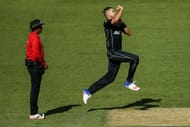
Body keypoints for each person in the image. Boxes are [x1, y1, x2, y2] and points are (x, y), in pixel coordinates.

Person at [83, 5, 140, 104]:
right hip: (113, 52)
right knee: (135, 59)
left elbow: (129, 33)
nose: (115, 12)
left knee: (110, 78)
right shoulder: (107, 23)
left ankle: (88, 92)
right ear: (108, 15)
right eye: (113, 11)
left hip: (117, 53)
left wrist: (122, 23)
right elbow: (114, 20)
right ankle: (129, 82)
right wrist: (121, 10)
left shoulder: (118, 23)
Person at [25, 19, 48, 119]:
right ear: (37, 28)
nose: (42, 28)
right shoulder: (35, 38)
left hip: (31, 64)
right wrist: (43, 64)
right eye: (40, 26)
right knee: (35, 89)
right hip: (35, 65)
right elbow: (37, 54)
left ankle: (34, 112)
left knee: (34, 89)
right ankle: (33, 113)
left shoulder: (31, 36)